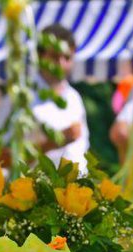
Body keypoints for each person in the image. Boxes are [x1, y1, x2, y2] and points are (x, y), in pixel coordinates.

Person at [29, 24, 89, 168]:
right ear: (39, 56)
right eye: (55, 56)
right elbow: (6, 157)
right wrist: (56, 141)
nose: (61, 63)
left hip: (77, 187)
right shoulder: (23, 96)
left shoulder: (74, 97)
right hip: (34, 187)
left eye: (67, 58)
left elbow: (82, 150)